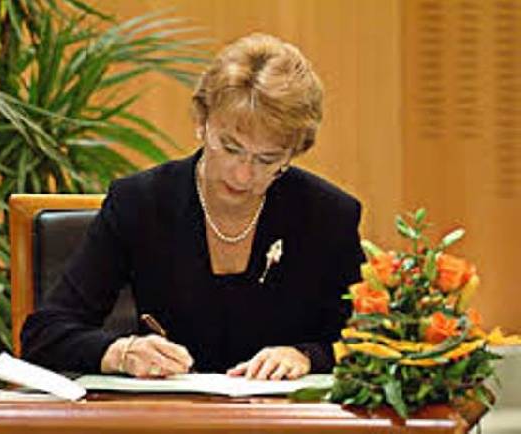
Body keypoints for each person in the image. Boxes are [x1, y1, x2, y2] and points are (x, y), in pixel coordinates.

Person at [21, 33, 365, 381]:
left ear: (294, 151)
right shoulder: (140, 202)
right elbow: (44, 334)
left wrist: (307, 356)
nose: (243, 175)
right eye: (230, 148)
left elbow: (369, 342)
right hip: (165, 411)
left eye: (267, 159)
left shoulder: (328, 215)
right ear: (202, 122)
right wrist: (119, 353)